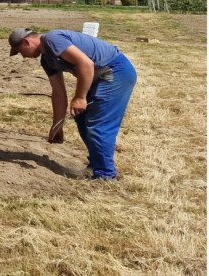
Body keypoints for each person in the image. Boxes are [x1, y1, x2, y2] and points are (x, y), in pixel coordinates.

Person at [9, 27, 136, 181]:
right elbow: (58, 92)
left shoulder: (52, 39)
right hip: (100, 77)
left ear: (26, 42)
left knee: (98, 123)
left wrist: (80, 97)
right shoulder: (47, 60)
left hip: (116, 71)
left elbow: (87, 64)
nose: (23, 57)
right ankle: (96, 164)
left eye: (20, 51)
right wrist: (58, 126)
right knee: (81, 116)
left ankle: (105, 175)